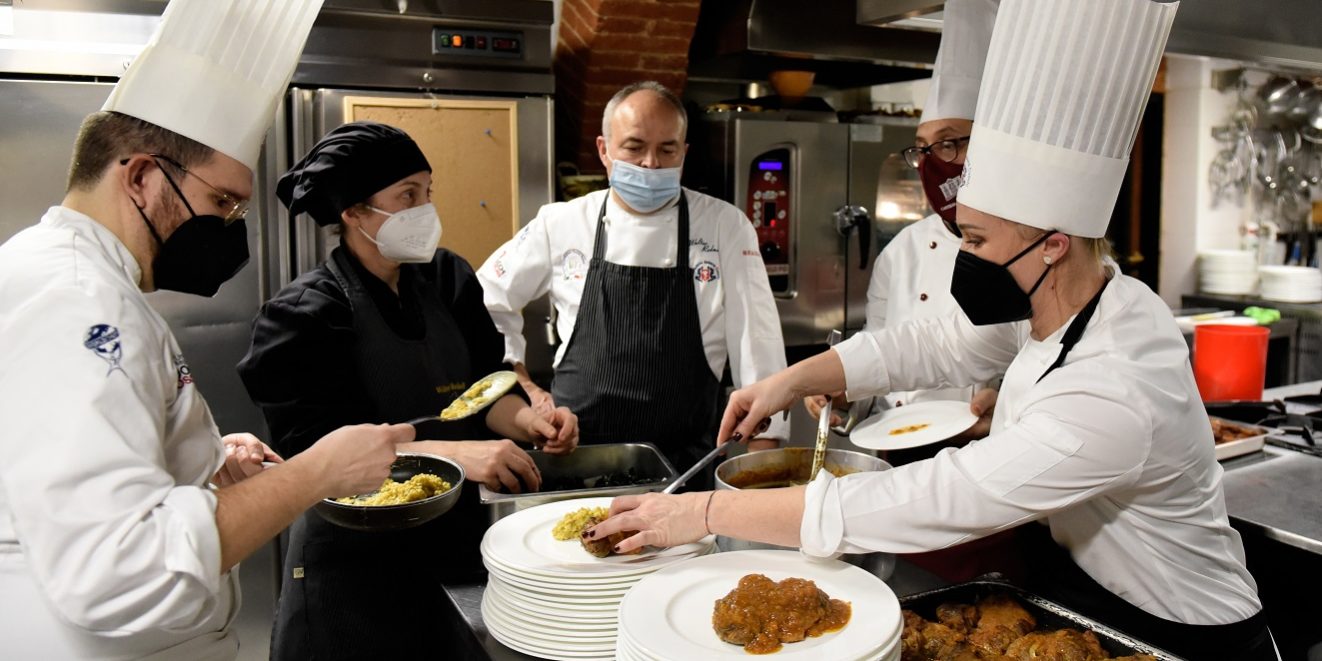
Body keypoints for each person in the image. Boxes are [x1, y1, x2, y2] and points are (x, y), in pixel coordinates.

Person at [588, 1, 1279, 658]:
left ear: (1053, 243)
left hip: (1182, 631)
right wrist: (793, 378)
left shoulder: (1111, 387)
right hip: (1089, 591)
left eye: (976, 239)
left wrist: (702, 513)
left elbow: (937, 496)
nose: (963, 257)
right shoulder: (1084, 303)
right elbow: (933, 341)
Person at [0, 2, 408, 659]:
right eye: (221, 202)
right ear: (139, 176)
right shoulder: (77, 304)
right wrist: (316, 471)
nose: (228, 228)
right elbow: (119, 566)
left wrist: (197, 460)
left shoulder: (72, 276)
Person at [237, 121, 577, 659]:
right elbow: (313, 452)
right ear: (353, 212)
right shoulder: (303, 316)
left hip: (454, 540)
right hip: (353, 560)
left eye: (428, 192)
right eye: (407, 196)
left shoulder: (449, 279)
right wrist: (456, 455)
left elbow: (486, 388)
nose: (425, 210)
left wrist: (527, 418)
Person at [477, 81, 788, 485]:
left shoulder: (724, 225)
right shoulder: (562, 222)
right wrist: (525, 390)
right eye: (634, 147)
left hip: (686, 466)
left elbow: (758, 345)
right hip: (576, 459)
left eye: (667, 149)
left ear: (684, 153)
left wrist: (765, 471)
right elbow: (485, 302)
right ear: (604, 150)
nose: (651, 164)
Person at [806, 0, 1001, 446]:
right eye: (922, 149)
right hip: (900, 451)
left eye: (949, 144)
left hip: (989, 457)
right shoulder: (901, 253)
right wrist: (845, 395)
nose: (933, 163)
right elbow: (885, 366)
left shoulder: (1030, 249)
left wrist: (1008, 407)